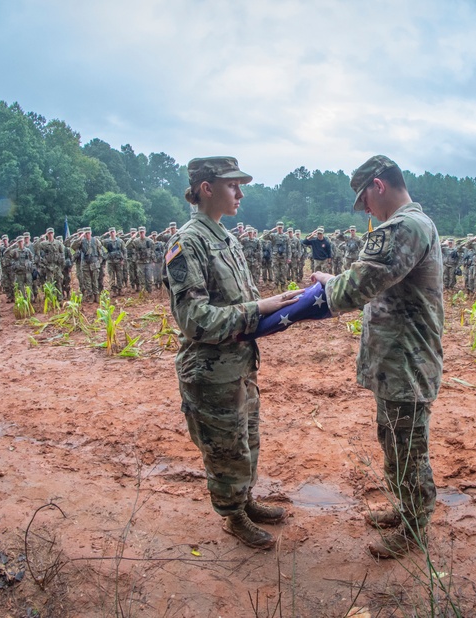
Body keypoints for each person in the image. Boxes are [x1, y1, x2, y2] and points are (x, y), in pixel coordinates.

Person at [312, 155, 444, 559]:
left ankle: (414, 526)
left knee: (407, 447)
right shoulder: (415, 224)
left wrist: (329, 285)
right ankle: (406, 509)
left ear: (378, 186)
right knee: (395, 439)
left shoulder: (404, 226)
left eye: (364, 199)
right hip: (397, 358)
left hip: (405, 359)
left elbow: (360, 286)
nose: (365, 209)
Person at [165, 157, 299, 550]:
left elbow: (243, 300)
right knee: (225, 449)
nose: (240, 193)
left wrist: (285, 308)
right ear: (207, 188)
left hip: (238, 364)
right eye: (232, 186)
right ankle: (232, 514)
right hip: (210, 372)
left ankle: (245, 500)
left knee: (246, 439)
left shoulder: (226, 238)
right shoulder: (187, 242)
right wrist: (259, 309)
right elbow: (194, 318)